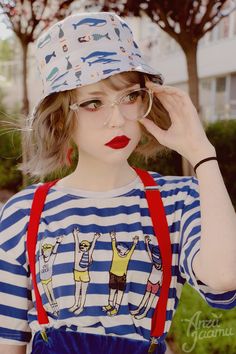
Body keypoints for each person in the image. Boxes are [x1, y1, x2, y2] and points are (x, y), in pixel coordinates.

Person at [0, 11, 235, 354]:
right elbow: (8, 343)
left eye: (130, 96)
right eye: (94, 102)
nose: (118, 119)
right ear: (63, 114)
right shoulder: (25, 212)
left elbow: (225, 278)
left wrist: (201, 153)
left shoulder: (178, 199)